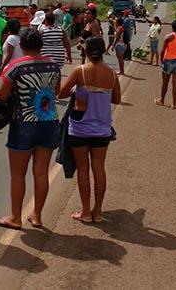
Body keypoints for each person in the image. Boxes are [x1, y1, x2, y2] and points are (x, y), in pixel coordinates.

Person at [0, 29, 61, 230]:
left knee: (18, 174)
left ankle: (15, 217)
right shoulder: (53, 65)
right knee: (41, 173)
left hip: (24, 122)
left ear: (21, 46)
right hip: (49, 121)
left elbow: (1, 96)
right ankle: (37, 216)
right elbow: (56, 91)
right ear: (41, 45)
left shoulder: (15, 66)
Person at [58, 36, 121, 223]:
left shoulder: (80, 72)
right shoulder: (111, 74)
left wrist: (76, 91)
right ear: (102, 51)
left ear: (86, 51)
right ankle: (98, 212)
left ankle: (85, 212)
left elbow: (61, 93)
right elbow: (116, 99)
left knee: (83, 169)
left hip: (79, 129)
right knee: (99, 168)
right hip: (102, 129)